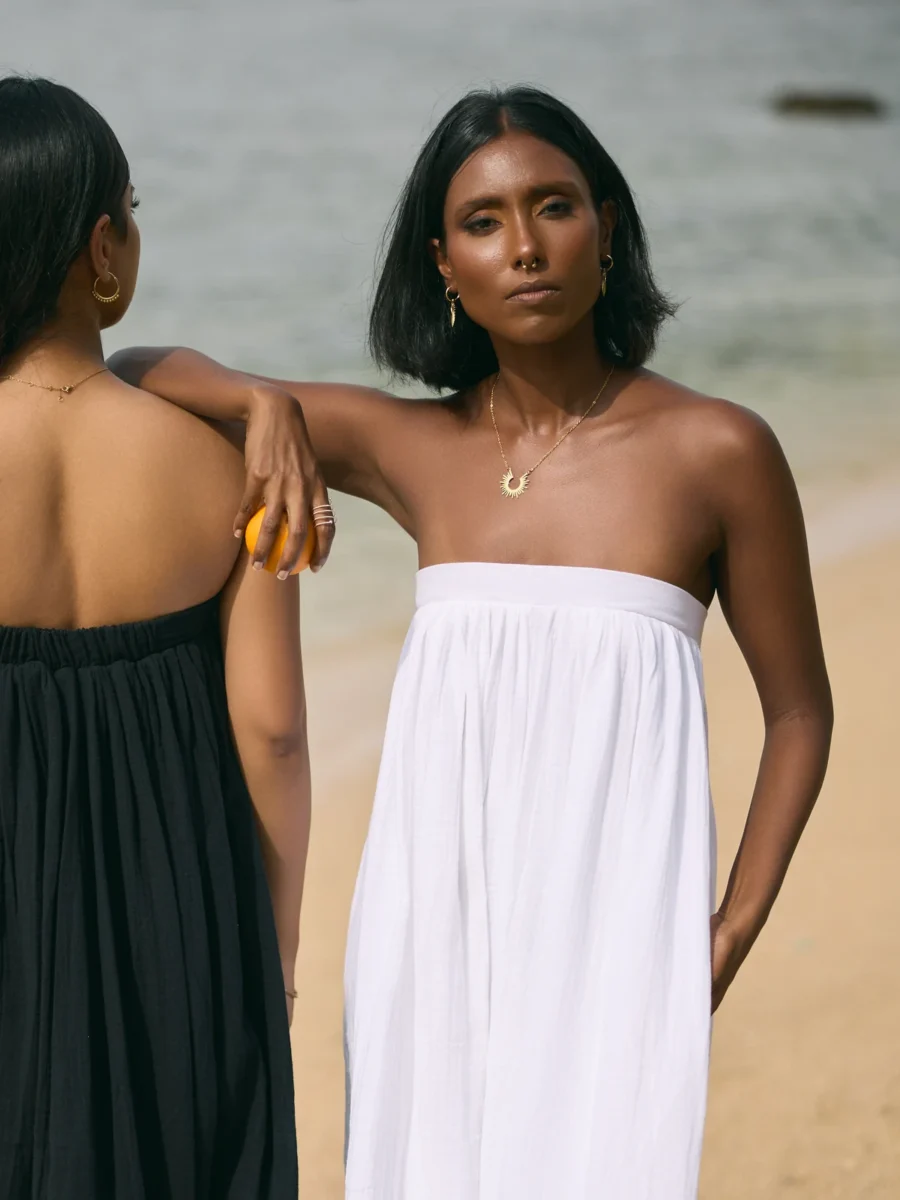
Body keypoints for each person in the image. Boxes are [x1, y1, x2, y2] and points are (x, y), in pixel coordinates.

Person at [112, 86, 833, 1199]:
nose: (527, 246)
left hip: (619, 927)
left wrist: (728, 932)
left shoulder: (718, 449)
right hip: (430, 925)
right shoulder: (415, 445)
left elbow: (800, 712)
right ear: (444, 266)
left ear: (608, 227)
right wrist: (266, 405)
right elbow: (134, 369)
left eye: (555, 207)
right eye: (485, 222)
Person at [0, 77, 319, 1199]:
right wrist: (269, 948)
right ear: (101, 244)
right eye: (130, 208)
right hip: (182, 918)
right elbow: (273, 734)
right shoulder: (230, 467)